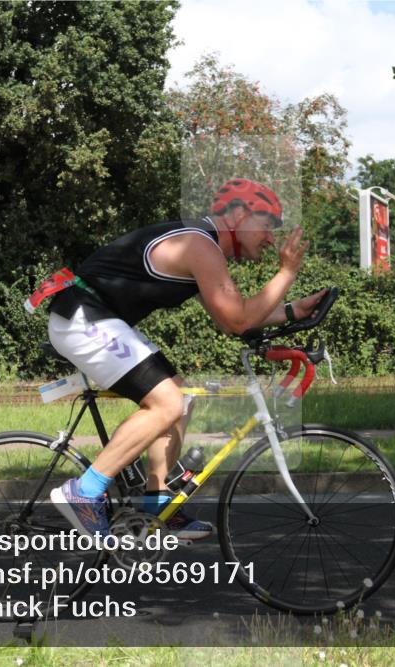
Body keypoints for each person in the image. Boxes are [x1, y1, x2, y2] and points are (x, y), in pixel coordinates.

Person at [47, 178, 328, 539]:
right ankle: (83, 492)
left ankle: (156, 504)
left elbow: (234, 316)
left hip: (98, 318)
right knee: (168, 402)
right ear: (239, 215)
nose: (271, 238)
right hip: (84, 318)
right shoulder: (199, 245)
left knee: (182, 396)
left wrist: (292, 312)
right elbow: (238, 319)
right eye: (268, 224)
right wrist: (287, 272)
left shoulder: (201, 244)